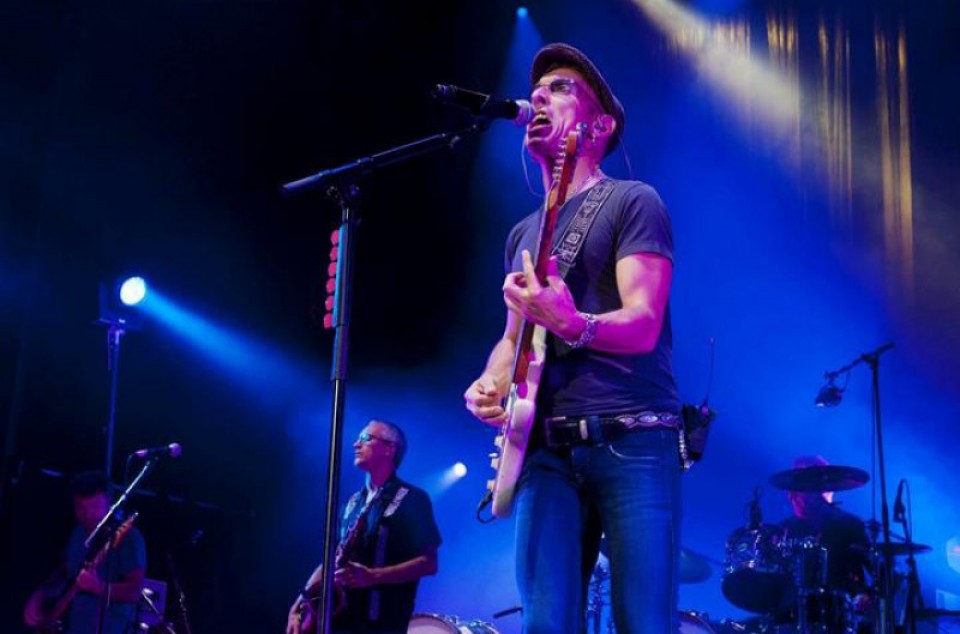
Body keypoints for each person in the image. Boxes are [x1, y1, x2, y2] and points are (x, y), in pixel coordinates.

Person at [463, 42, 683, 633]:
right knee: (546, 624)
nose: (539, 97)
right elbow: (514, 338)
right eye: (537, 91)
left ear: (601, 123)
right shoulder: (523, 234)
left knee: (644, 622)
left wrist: (574, 323)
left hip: (632, 437)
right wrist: (491, 380)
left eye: (561, 89)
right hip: (544, 453)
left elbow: (643, 323)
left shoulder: (633, 201)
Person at [287, 419, 442, 634]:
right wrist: (300, 604)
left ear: (389, 449)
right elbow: (329, 559)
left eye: (366, 438)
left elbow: (429, 563)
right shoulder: (351, 503)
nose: (355, 444)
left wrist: (373, 576)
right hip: (341, 623)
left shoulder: (413, 499)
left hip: (382, 624)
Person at [23, 470, 147, 634]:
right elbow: (65, 571)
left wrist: (99, 587)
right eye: (81, 508)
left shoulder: (129, 537)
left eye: (95, 506)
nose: (88, 514)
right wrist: (41, 593)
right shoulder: (78, 532)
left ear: (109, 501)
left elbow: (134, 592)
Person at [776, 455, 872, 631]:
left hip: (838, 618)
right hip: (790, 617)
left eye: (801, 488)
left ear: (826, 489)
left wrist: (864, 595)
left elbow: (874, 570)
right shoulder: (784, 529)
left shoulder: (850, 525)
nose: (794, 495)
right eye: (793, 490)